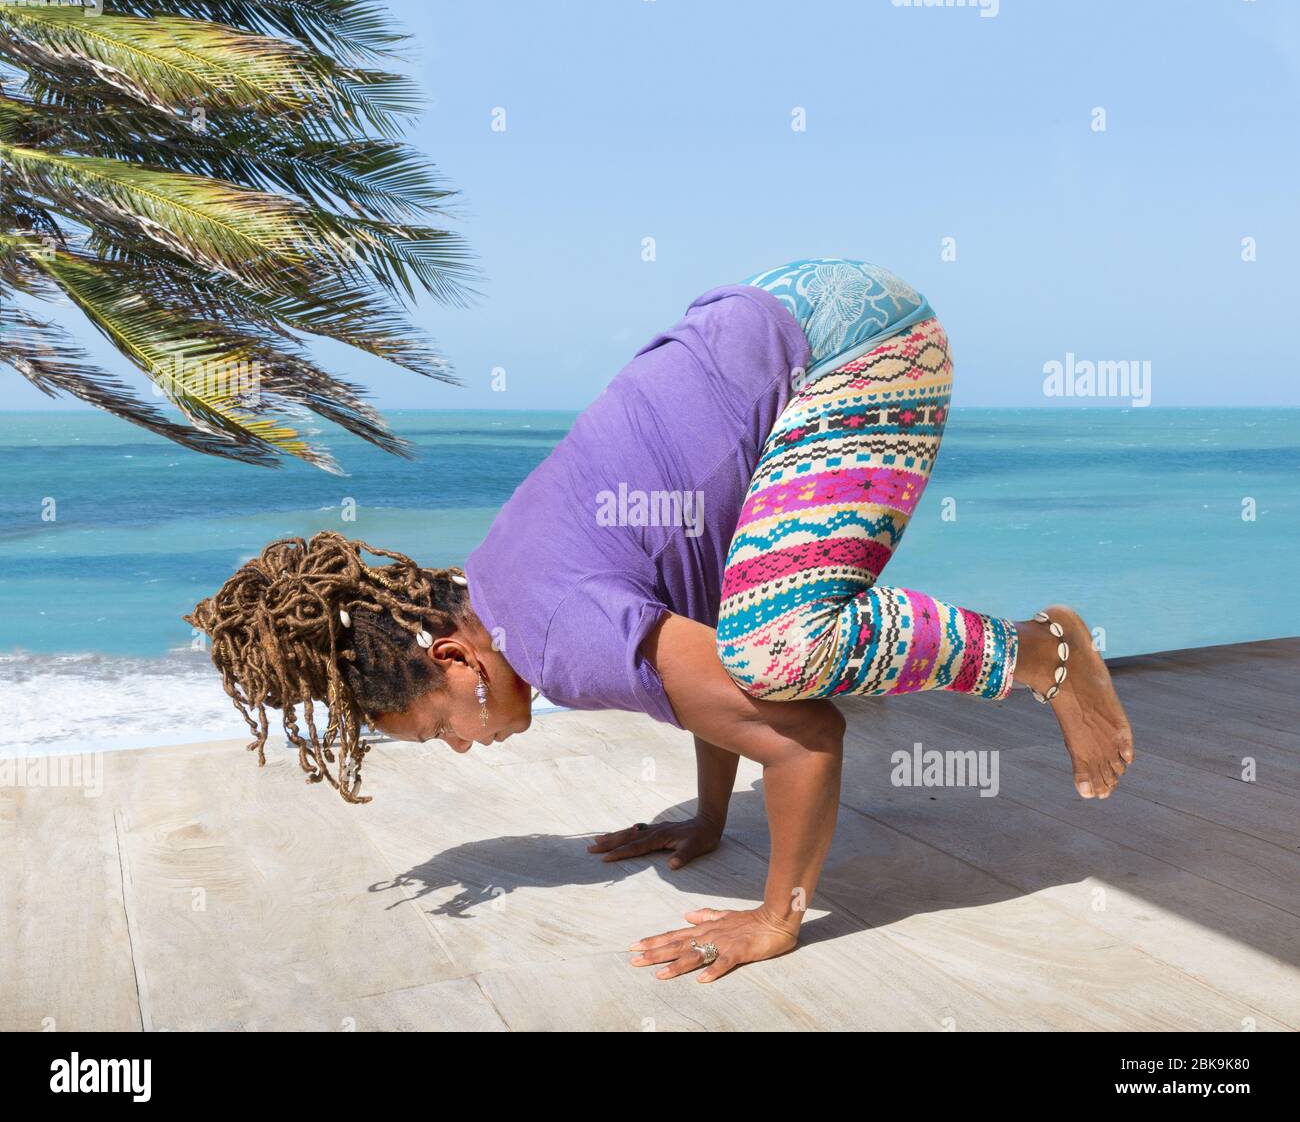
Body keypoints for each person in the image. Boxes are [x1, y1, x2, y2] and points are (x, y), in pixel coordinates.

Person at [186, 258, 1134, 983]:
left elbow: (802, 739)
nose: (465, 747)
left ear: (452, 659)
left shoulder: (557, 644)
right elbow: (700, 645)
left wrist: (777, 919)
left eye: (440, 728)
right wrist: (711, 818)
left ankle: (1040, 651)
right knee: (749, 628)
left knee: (780, 647)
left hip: (855, 354)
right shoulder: (498, 575)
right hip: (785, 308)